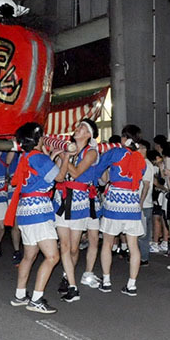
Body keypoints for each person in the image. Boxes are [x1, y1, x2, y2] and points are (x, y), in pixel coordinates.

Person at [6, 122, 67, 314]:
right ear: (39, 139)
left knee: (29, 256)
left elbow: (41, 174)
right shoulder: (39, 158)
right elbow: (60, 178)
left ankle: (20, 295)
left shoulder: (27, 156)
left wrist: (52, 157)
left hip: (26, 210)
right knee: (52, 256)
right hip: (38, 210)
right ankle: (37, 299)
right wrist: (65, 158)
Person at [93, 125, 146, 296]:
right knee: (133, 245)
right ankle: (132, 284)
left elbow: (98, 167)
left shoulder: (115, 153)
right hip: (132, 201)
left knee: (108, 243)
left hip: (115, 201)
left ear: (124, 138)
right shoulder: (140, 159)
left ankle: (106, 281)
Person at [54, 119, 101, 302]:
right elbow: (60, 175)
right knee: (64, 245)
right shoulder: (69, 149)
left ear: (88, 135)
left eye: (82, 127)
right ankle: (70, 281)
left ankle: (68, 276)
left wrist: (64, 157)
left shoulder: (91, 152)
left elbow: (75, 173)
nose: (77, 128)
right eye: (78, 126)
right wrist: (56, 156)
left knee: (74, 248)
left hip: (80, 201)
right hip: (63, 197)